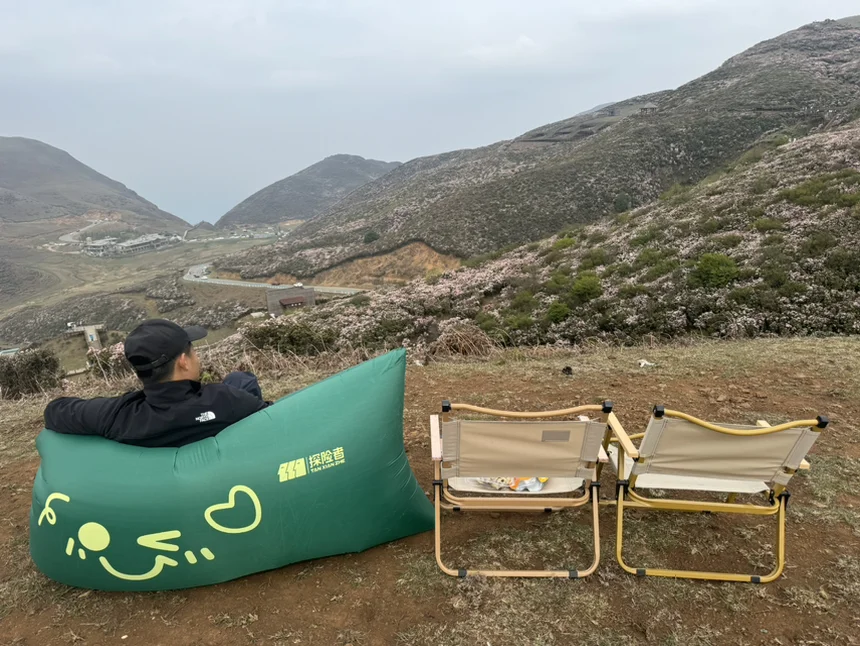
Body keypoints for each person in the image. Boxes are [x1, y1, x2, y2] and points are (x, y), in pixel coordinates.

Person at [44, 319, 269, 448]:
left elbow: (55, 411)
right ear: (183, 362)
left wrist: (113, 405)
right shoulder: (226, 400)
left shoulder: (118, 416)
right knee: (242, 380)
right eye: (193, 351)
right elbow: (273, 419)